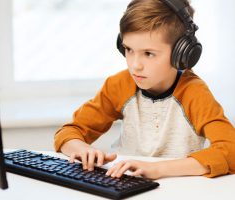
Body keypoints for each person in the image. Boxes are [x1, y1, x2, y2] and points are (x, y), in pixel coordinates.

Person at [54, 0, 235, 179]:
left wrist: (157, 169)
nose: (135, 65)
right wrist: (81, 148)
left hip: (176, 188)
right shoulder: (119, 84)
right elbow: (68, 132)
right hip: (121, 182)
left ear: (181, 54)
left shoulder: (194, 93)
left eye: (149, 53)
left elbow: (231, 151)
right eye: (128, 49)